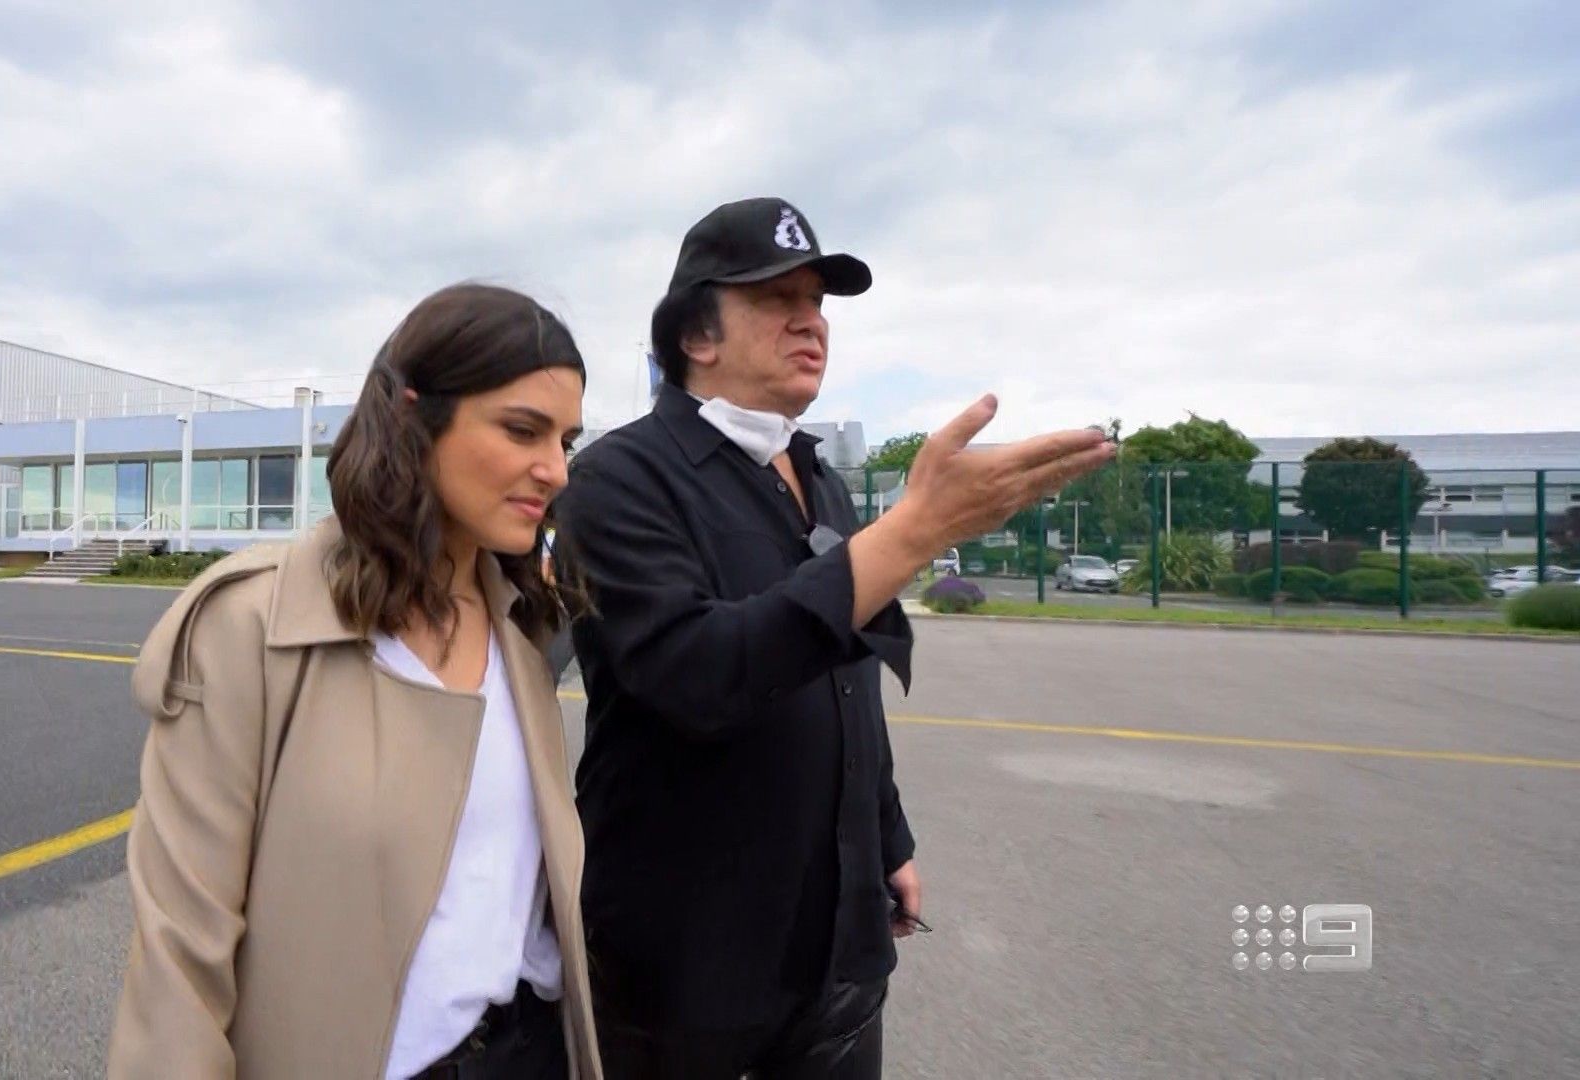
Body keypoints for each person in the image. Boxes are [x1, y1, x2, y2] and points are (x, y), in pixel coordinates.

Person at [553, 197, 1115, 1078]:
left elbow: (852, 686)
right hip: (685, 967)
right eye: (776, 298)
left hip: (837, 953)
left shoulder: (819, 478)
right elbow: (701, 674)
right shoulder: (616, 480)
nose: (810, 322)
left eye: (817, 303)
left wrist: (887, 838)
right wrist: (915, 531)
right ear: (695, 335)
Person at [108, 283, 604, 1080]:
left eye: (566, 441)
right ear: (414, 416)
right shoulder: (251, 626)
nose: (556, 472)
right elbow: (178, 962)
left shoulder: (522, 628)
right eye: (522, 430)